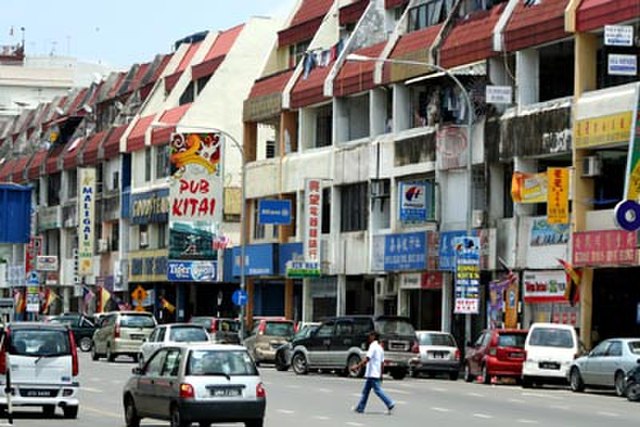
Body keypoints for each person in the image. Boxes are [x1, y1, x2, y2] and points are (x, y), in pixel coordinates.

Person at [351, 331, 395, 415]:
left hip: (372, 373)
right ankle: (360, 408)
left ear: (374, 337)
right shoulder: (380, 348)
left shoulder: (373, 346)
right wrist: (381, 374)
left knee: (377, 390)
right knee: (366, 391)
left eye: (370, 336)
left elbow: (367, 359)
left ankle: (389, 403)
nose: (369, 337)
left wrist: (357, 366)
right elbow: (382, 363)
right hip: (376, 373)